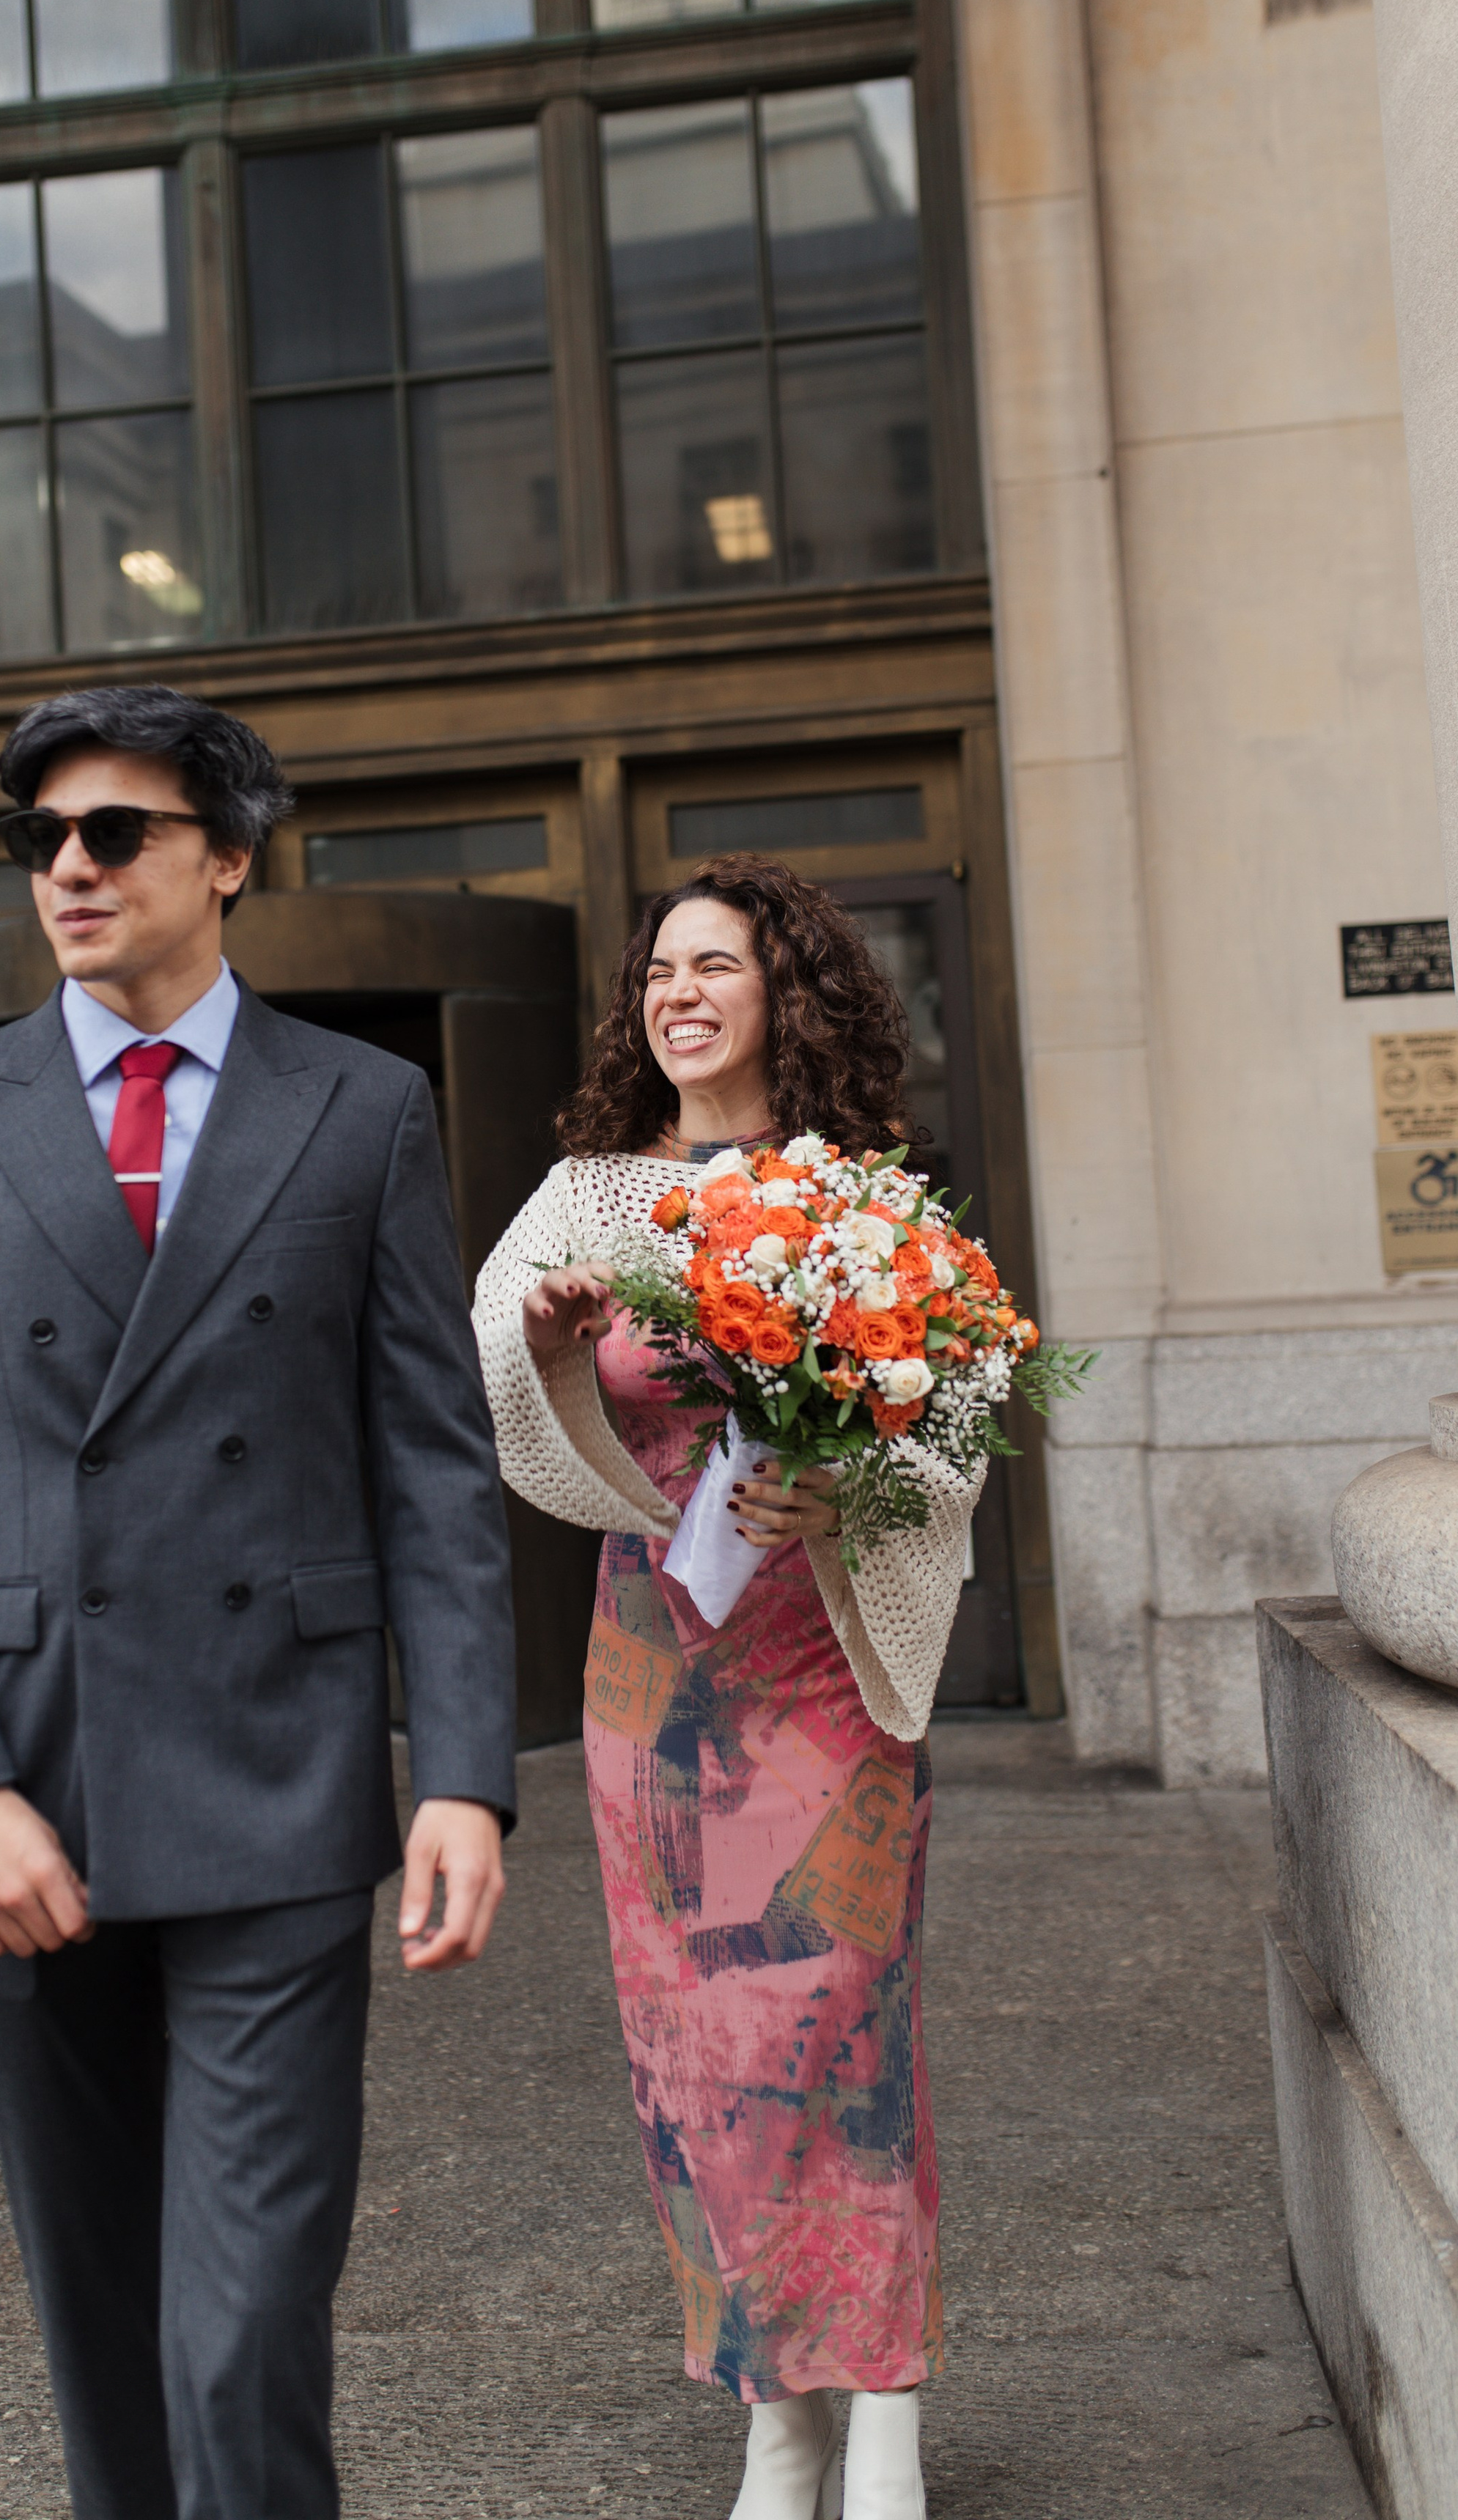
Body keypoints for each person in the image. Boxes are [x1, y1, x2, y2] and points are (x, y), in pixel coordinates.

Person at [0, 684, 515, 2520]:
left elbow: (433, 1458)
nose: (68, 867)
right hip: (23, 1797)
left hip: (277, 1782)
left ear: (228, 858)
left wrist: (456, 1770)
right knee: (102, 2318)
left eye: (113, 832)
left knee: (244, 2322)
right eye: (40, 837)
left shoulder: (360, 1110)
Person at [472, 855, 981, 2520]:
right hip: (655, 1676)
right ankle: (776, 2415)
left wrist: (856, 1491)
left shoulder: (869, 1197)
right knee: (696, 2045)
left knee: (836, 2026)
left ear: (788, 994)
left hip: (819, 1666)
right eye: (657, 972)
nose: (676, 992)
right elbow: (501, 1393)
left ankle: (882, 2413)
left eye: (716, 966)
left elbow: (958, 1422)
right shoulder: (589, 1198)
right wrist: (551, 1344)